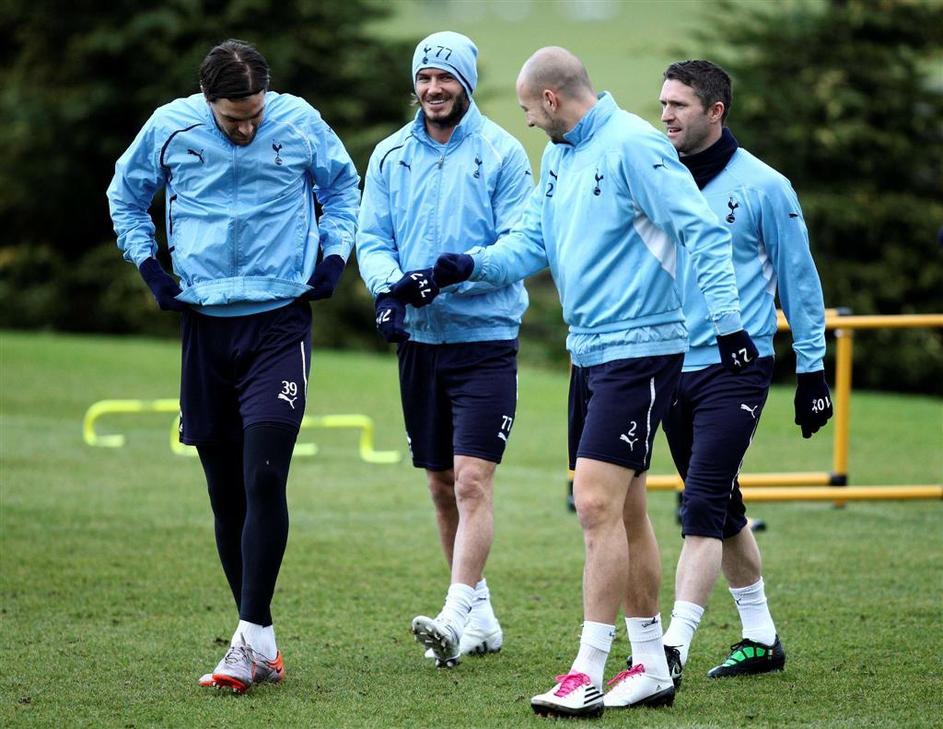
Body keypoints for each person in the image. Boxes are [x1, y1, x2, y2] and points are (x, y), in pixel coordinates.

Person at [423, 47, 757, 718]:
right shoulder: (559, 157)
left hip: (641, 351)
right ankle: (650, 664)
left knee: (594, 505)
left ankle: (587, 669)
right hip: (590, 354)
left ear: (551, 99)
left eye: (527, 109)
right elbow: (533, 244)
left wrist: (727, 325)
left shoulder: (634, 145)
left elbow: (702, 231)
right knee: (624, 511)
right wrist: (466, 266)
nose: (526, 121)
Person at [106, 39, 360, 693]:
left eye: (254, 115)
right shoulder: (170, 127)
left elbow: (342, 188)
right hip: (205, 326)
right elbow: (125, 197)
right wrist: (150, 267)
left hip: (279, 323)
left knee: (264, 476)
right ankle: (261, 639)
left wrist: (335, 256)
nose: (246, 129)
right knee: (225, 492)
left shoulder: (299, 121)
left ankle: (243, 643)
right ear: (207, 100)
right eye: (232, 119)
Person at [355, 31, 533, 668]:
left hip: (485, 341)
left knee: (472, 481)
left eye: (446, 78)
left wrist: (460, 270)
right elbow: (372, 238)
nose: (434, 89)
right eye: (425, 78)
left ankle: (454, 617)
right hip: (421, 345)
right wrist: (388, 292)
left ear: (467, 84)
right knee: (439, 484)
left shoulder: (503, 152)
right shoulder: (389, 155)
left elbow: (524, 245)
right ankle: (481, 616)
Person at [654, 59, 832, 682]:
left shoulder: (765, 187)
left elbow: (800, 283)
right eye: (662, 103)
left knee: (701, 504)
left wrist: (812, 372)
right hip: (667, 366)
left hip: (736, 369)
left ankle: (670, 649)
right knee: (725, 507)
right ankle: (761, 637)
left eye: (678, 105)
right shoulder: (655, 177)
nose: (666, 115)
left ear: (715, 111)